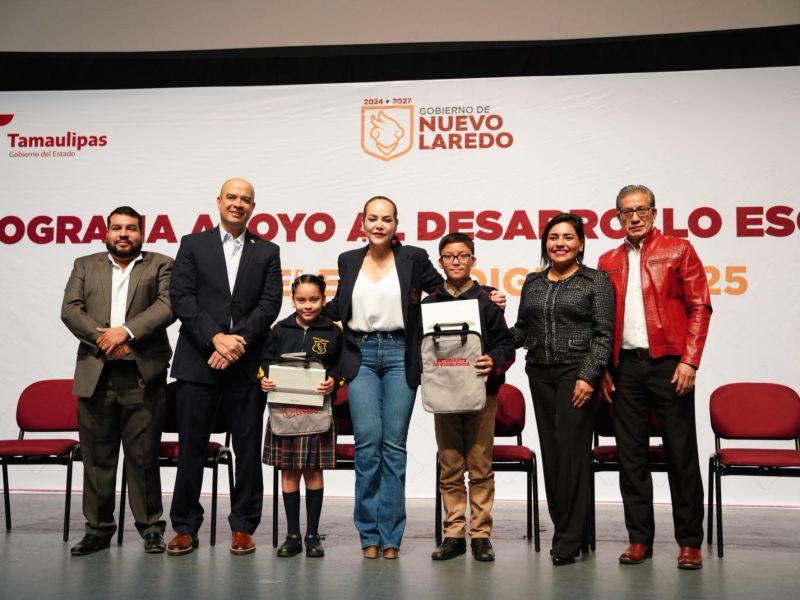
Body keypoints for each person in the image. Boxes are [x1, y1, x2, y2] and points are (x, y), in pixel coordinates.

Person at [598, 185, 712, 570]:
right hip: (625, 369)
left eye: (641, 210)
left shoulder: (679, 250)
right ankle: (638, 540)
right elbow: (601, 321)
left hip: (670, 365)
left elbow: (700, 307)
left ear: (653, 213)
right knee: (631, 458)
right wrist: (604, 370)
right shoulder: (607, 259)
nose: (634, 217)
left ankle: (689, 542)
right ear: (617, 217)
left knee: (681, 455)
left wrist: (690, 361)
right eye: (626, 211)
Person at [166, 178, 282, 556]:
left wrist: (235, 344)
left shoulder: (267, 251)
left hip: (246, 365)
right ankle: (184, 526)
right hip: (198, 361)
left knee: (248, 451)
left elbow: (270, 304)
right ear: (218, 201)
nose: (237, 204)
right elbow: (181, 298)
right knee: (192, 448)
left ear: (253, 206)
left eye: (245, 199)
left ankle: (244, 527)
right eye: (231, 197)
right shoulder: (192, 244)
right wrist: (215, 338)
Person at [324, 196, 443, 559]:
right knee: (367, 446)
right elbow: (335, 307)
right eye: (372, 219)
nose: (379, 225)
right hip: (358, 354)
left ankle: (391, 536)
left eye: (386, 219)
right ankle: (368, 536)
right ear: (362, 223)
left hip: (399, 355)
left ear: (396, 224)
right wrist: (290, 322)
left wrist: (486, 297)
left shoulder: (413, 258)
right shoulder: (348, 260)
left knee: (393, 448)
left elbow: (445, 291)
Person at [61, 206, 175, 555]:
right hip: (96, 372)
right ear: (106, 233)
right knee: (97, 457)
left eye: (131, 228)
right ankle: (98, 530)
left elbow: (167, 306)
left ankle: (151, 528)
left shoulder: (161, 264)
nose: (123, 234)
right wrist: (104, 339)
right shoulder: (85, 264)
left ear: (143, 232)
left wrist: (125, 332)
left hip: (141, 374)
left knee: (143, 457)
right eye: (116, 228)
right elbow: (70, 309)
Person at [511, 212, 614, 565]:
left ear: (581, 244)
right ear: (545, 244)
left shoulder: (596, 281)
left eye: (568, 237)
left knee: (572, 453)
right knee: (553, 456)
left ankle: (569, 538)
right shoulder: (533, 282)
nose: (559, 243)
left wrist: (589, 376)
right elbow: (522, 331)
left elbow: (604, 335)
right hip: (539, 373)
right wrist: (490, 332)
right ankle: (566, 529)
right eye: (553, 237)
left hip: (576, 373)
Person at [423, 232, 515, 562]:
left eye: (462, 256)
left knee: (480, 466)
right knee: (449, 467)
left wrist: (496, 361)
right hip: (444, 395)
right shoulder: (429, 303)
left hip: (481, 394)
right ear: (440, 262)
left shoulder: (488, 302)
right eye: (449, 256)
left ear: (473, 260)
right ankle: (452, 534)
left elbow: (506, 345)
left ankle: (480, 535)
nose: (456, 262)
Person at [260, 274, 342, 559]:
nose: (308, 305)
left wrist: (334, 380)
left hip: (317, 412)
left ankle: (312, 536)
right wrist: (264, 379)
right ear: (293, 300)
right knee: (289, 471)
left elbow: (341, 365)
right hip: (285, 412)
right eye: (301, 300)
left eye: (314, 299)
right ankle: (292, 535)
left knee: (314, 472)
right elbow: (264, 362)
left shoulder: (333, 331)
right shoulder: (279, 329)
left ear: (323, 298)